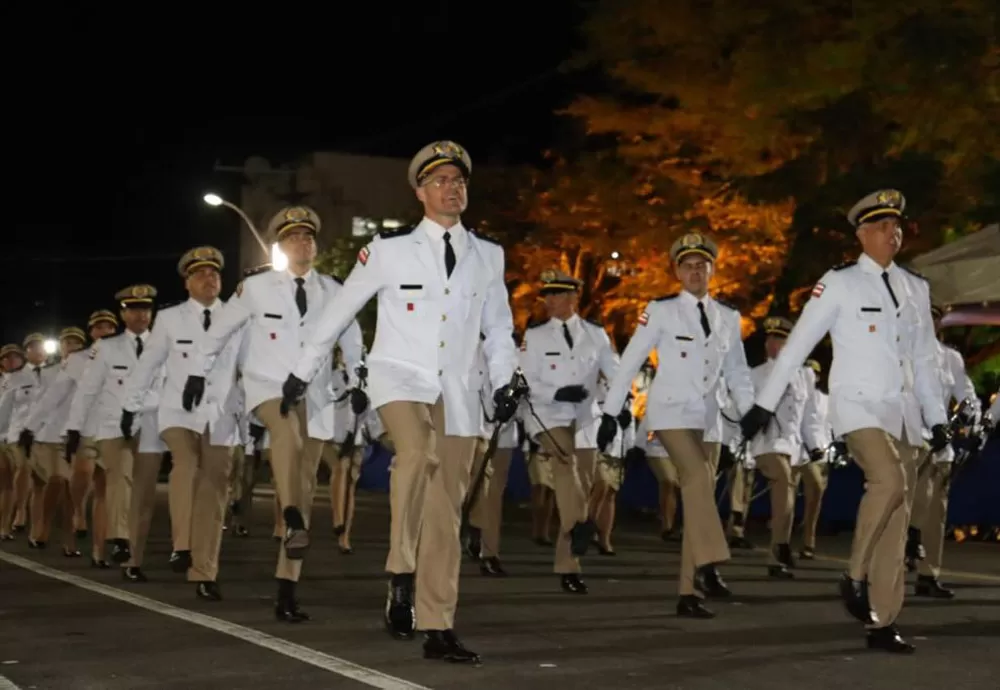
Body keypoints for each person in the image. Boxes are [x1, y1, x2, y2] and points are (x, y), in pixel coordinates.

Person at [279, 141, 518, 664]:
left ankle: (437, 623)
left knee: (445, 510)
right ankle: (400, 566)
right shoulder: (387, 251)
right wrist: (300, 372)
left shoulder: (488, 256)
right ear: (420, 193)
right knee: (417, 453)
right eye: (440, 181)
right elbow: (339, 311)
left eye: (459, 181)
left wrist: (506, 380)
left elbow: (499, 328)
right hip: (399, 378)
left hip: (457, 387)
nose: (452, 188)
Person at [740, 189, 949, 653]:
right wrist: (764, 404)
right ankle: (853, 576)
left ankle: (881, 620)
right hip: (856, 407)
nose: (891, 233)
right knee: (889, 481)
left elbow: (925, 359)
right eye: (880, 226)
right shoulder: (840, 283)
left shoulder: (916, 287)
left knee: (897, 518)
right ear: (860, 235)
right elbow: (797, 347)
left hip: (903, 415)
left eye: (896, 225)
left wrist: (936, 419)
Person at [182, 208, 365, 621]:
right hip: (267, 388)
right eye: (294, 237)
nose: (304, 243)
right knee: (286, 436)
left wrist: (358, 385)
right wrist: (197, 372)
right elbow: (219, 331)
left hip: (315, 396)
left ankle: (287, 589)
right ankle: (290, 514)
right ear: (281, 247)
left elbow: (351, 339)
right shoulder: (257, 288)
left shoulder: (334, 290)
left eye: (309, 237)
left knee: (302, 484)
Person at [599, 232, 754, 619]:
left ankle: (688, 592)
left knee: (697, 498)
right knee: (698, 481)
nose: (695, 271)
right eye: (688, 265)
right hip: (670, 414)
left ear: (712, 270)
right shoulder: (661, 310)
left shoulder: (729, 317)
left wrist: (751, 412)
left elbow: (737, 371)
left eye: (702, 265)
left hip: (711, 419)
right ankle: (713, 559)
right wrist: (611, 411)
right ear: (677, 272)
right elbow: (631, 360)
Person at [121, 247, 243, 600]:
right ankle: (183, 544)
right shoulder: (171, 319)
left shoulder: (236, 317)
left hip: (220, 414)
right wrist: (131, 405)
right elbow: (149, 364)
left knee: (215, 487)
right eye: (201, 274)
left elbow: (246, 366)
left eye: (215, 274)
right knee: (186, 464)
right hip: (177, 411)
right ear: (187, 282)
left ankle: (204, 571)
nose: (210, 279)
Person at [521, 269, 620, 594]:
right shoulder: (535, 336)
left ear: (573, 298)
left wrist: (613, 412)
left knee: (582, 486)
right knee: (566, 467)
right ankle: (582, 526)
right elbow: (527, 378)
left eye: (556, 294)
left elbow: (614, 374)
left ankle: (568, 564)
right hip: (549, 415)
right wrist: (556, 392)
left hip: (586, 419)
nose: (548, 301)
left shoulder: (595, 334)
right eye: (546, 295)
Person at [907, 304, 979, 598]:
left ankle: (928, 574)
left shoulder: (951, 358)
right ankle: (883, 569)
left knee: (936, 513)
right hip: (913, 443)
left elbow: (967, 395)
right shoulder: (904, 356)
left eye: (934, 318)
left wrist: (968, 417)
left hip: (942, 449)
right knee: (913, 506)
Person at [746, 316, 824, 578]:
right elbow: (742, 413)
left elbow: (810, 416)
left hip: (793, 447)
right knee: (784, 482)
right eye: (770, 339)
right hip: (765, 444)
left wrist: (815, 446)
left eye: (779, 339)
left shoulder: (805, 376)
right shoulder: (755, 375)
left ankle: (776, 555)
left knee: (787, 498)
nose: (773, 343)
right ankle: (780, 546)